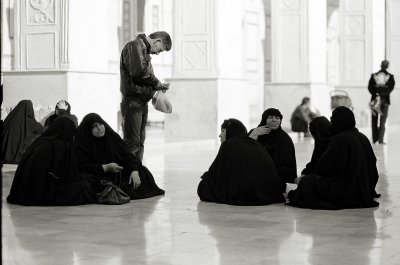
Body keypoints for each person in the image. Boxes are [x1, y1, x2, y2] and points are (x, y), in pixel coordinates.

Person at [287, 107, 380, 209]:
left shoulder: (339, 139)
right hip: (366, 189)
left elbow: (325, 169)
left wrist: (307, 177)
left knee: (308, 182)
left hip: (347, 191)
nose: (331, 121)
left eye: (333, 118)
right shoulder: (363, 137)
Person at [7, 117, 95, 206]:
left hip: (20, 194)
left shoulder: (40, 141)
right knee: (85, 186)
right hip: (40, 195)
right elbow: (68, 177)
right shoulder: (62, 145)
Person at [74, 113, 165, 199]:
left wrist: (134, 171)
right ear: (88, 130)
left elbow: (129, 156)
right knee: (88, 184)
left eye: (100, 124)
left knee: (142, 171)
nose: (99, 128)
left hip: (116, 174)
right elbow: (83, 167)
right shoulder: (83, 145)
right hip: (99, 176)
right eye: (94, 126)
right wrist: (105, 168)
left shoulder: (112, 138)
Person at [197, 119, 285, 205]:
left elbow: (214, 174)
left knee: (203, 187)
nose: (220, 135)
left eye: (223, 131)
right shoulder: (254, 144)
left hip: (245, 194)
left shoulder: (228, 145)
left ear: (231, 132)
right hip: (269, 193)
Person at [120, 31, 172, 161]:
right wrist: (156, 83)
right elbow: (139, 73)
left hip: (141, 103)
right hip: (133, 103)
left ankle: (138, 175)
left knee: (139, 144)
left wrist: (157, 86)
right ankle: (129, 177)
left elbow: (144, 76)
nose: (157, 53)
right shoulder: (134, 46)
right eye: (160, 49)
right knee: (132, 144)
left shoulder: (143, 50)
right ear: (157, 41)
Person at [249, 108, 297, 192]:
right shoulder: (255, 132)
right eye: (271, 117)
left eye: (277, 118)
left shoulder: (284, 139)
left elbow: (287, 166)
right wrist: (254, 135)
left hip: (275, 175)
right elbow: (245, 153)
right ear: (264, 119)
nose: (274, 120)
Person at [2, 100, 43, 164]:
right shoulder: (32, 123)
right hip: (20, 159)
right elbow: (41, 130)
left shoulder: (9, 121)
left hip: (4, 157)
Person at [368, 60, 395, 144]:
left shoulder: (388, 76)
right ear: (387, 66)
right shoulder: (390, 76)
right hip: (382, 101)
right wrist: (381, 95)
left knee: (376, 120)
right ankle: (379, 140)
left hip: (378, 100)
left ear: (381, 65)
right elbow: (390, 89)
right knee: (380, 120)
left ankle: (376, 139)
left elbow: (370, 87)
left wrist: (376, 95)